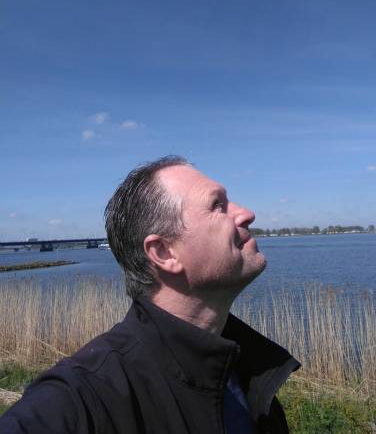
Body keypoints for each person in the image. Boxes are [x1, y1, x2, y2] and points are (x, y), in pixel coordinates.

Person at [1, 156, 300, 433]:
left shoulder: (246, 369)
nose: (246, 214)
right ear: (164, 253)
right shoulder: (86, 394)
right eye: (217, 205)